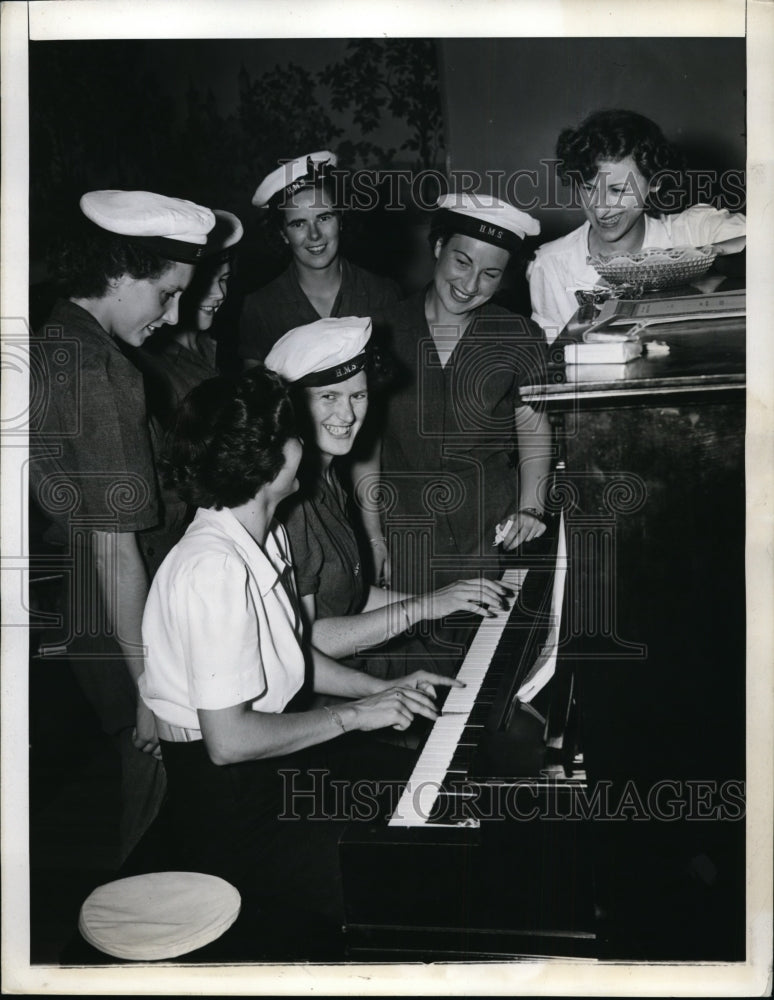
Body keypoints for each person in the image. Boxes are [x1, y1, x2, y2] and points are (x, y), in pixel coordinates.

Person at [138, 367, 460, 953]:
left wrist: (378, 692)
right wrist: (356, 716)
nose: (307, 444)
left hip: (271, 775)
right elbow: (229, 740)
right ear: (269, 458)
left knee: (431, 791)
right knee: (414, 878)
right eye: (296, 435)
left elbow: (293, 657)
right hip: (230, 809)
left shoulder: (265, 532)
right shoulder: (213, 567)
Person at [29, 189, 215, 862]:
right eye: (166, 294)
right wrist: (152, 689)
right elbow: (115, 549)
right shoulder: (102, 372)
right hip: (127, 626)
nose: (172, 317)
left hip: (95, 615)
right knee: (159, 817)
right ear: (117, 273)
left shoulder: (53, 340)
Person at [265, 316, 516, 676]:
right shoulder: (288, 503)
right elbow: (303, 640)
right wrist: (422, 608)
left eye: (358, 395)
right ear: (291, 405)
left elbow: (349, 596)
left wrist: (448, 602)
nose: (348, 414)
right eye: (328, 397)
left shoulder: (328, 477)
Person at [371, 192, 552, 676]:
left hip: (488, 538)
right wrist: (371, 535)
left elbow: (533, 424)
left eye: (490, 274)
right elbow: (362, 445)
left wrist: (532, 505)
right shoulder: (379, 331)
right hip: (404, 541)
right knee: (407, 686)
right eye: (461, 261)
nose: (470, 285)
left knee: (491, 681)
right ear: (437, 248)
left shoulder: (518, 336)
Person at [527, 109, 747, 342]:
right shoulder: (551, 265)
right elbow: (554, 361)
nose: (601, 209)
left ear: (654, 182)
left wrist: (696, 258)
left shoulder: (694, 229)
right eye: (588, 189)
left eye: (618, 190)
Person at [137, 209, 244, 577]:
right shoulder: (149, 365)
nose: (219, 294)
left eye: (227, 280)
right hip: (172, 550)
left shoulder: (220, 351)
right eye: (205, 283)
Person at [238, 150, 401, 367]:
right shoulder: (261, 308)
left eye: (324, 217)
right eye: (298, 224)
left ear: (341, 220)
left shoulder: (382, 295)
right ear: (283, 234)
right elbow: (256, 396)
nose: (314, 235)